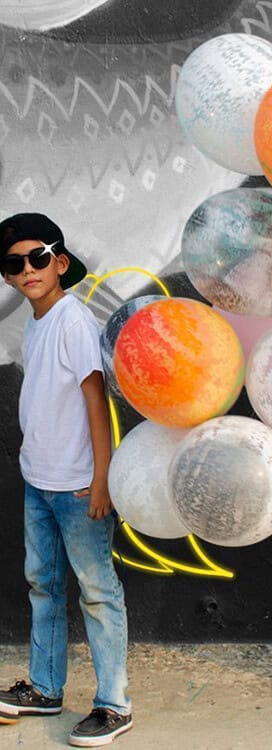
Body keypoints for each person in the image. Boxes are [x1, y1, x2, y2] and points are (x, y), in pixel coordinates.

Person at [0, 213, 132, 747]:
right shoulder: (37, 321)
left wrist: (102, 479)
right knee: (44, 585)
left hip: (78, 486)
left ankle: (114, 705)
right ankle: (46, 688)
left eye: (37, 258)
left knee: (97, 592)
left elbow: (95, 401)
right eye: (14, 264)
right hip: (40, 479)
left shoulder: (73, 320)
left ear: (59, 262)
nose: (27, 270)